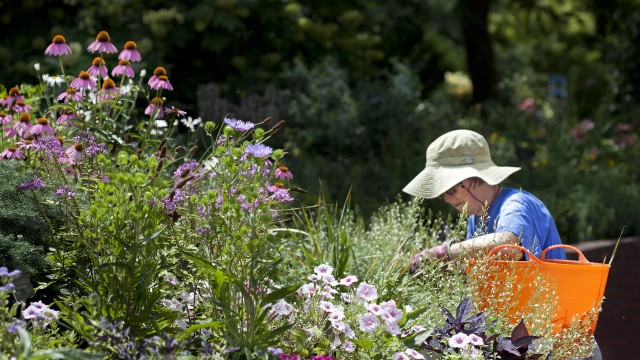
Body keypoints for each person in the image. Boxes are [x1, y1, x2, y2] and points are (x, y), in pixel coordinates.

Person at [404, 129, 567, 270]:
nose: (446, 198)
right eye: (442, 193)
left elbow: (508, 246)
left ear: (476, 175)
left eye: (450, 189)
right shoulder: (476, 217)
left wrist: (443, 253)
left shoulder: (516, 204)